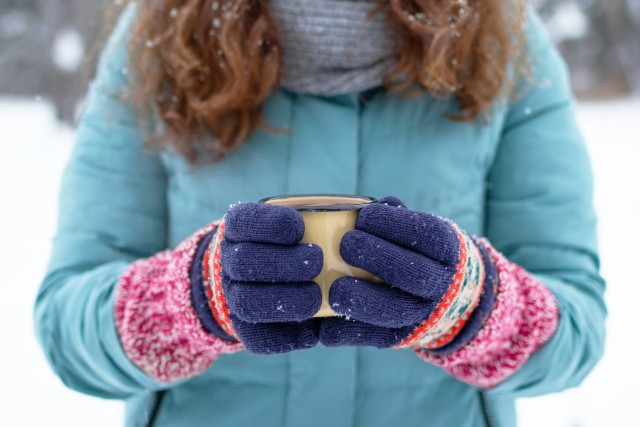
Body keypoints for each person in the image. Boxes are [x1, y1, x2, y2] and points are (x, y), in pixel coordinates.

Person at [35, 0, 606, 426]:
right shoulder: (157, 35)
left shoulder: (504, 40)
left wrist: (475, 308)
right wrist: (190, 301)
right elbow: (67, 326)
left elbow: (576, 329)